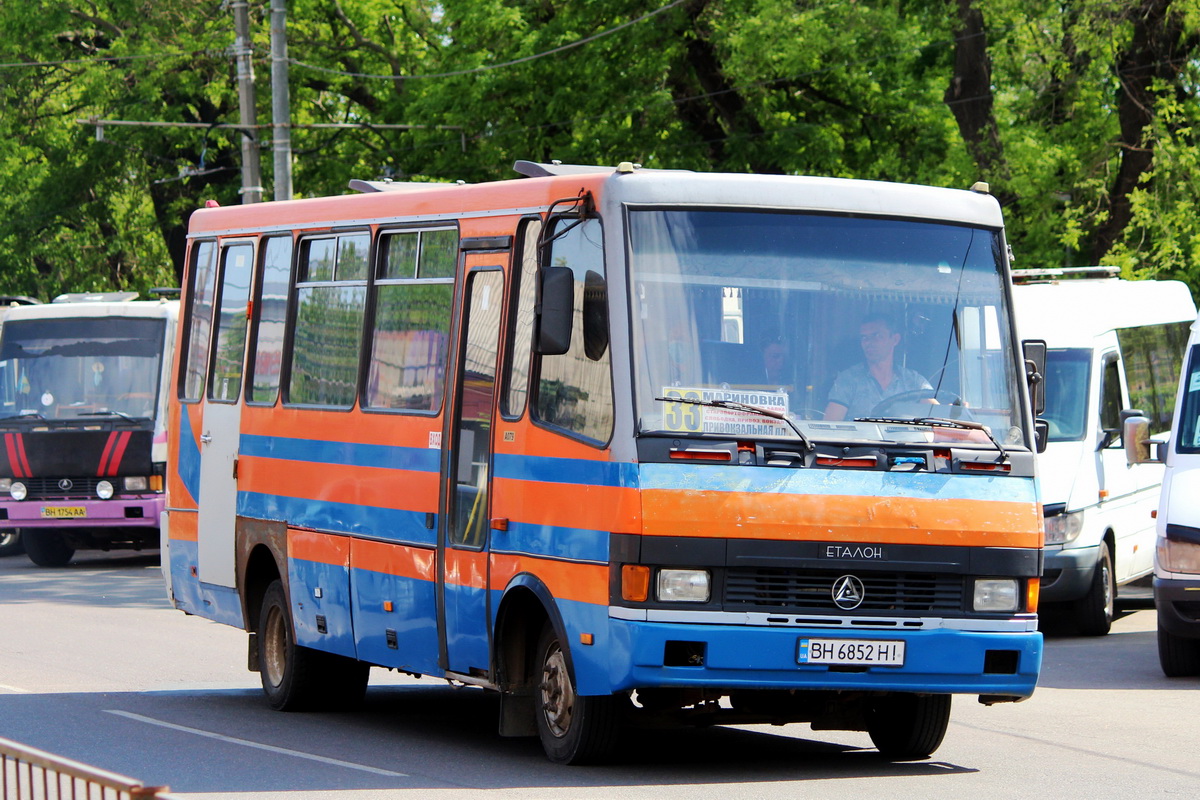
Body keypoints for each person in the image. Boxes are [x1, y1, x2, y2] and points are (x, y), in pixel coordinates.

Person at [824, 314, 931, 421]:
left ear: (895, 339)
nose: (868, 342)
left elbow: (939, 417)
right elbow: (831, 425)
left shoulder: (914, 381)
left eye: (877, 336)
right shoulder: (848, 380)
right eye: (864, 337)